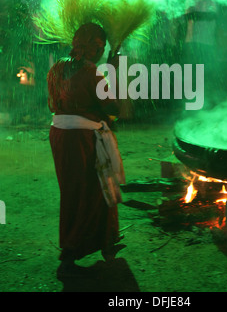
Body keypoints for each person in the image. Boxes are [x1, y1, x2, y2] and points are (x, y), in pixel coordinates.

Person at [47, 22, 124, 277]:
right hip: (82, 139)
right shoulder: (92, 71)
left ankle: (101, 242)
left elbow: (53, 103)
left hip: (60, 135)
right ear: (92, 46)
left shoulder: (58, 66)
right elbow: (112, 107)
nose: (102, 52)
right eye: (100, 47)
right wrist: (112, 75)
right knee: (95, 190)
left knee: (74, 191)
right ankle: (73, 249)